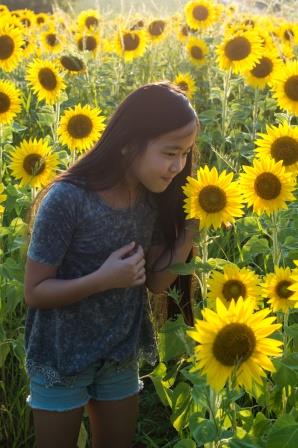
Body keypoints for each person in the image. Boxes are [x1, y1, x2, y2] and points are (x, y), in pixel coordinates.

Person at [23, 81, 199, 448]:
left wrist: (190, 228)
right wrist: (103, 279)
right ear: (129, 144)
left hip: (119, 352)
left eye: (185, 153)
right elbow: (35, 292)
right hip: (61, 358)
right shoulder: (68, 199)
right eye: (170, 152)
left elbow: (156, 282)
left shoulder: (151, 198)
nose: (178, 166)